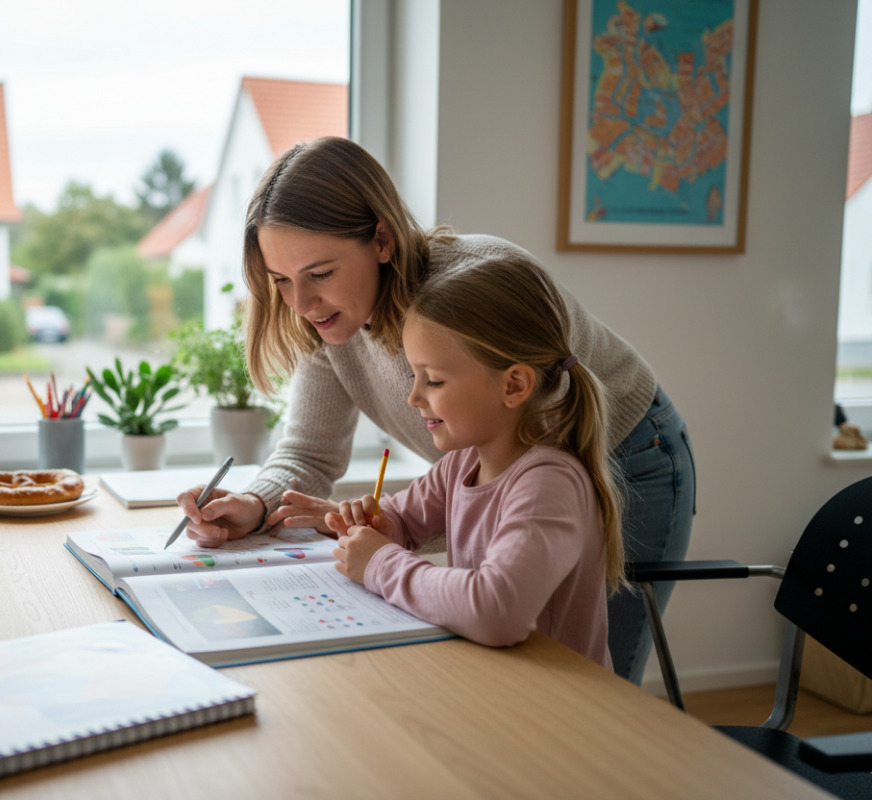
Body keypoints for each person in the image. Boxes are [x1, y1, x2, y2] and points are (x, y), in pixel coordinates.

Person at [175, 136, 696, 683]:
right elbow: (309, 451)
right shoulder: (335, 325)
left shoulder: (475, 294)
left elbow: (529, 480)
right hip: (516, 471)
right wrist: (257, 504)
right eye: (281, 281)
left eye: (319, 274)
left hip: (630, 451)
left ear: (380, 237)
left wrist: (390, 557)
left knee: (590, 688)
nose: (300, 306)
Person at [321, 254, 623, 668]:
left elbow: (497, 610)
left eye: (435, 380)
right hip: (494, 688)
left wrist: (380, 563)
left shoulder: (549, 484)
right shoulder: (461, 465)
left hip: (560, 713)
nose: (414, 397)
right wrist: (380, 524)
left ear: (514, 385)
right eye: (414, 376)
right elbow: (402, 520)